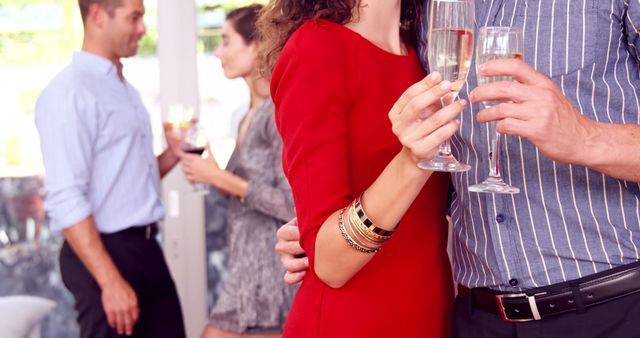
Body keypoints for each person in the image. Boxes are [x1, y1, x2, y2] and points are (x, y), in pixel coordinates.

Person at [275, 1, 640, 337]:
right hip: (468, 319)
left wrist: (585, 137)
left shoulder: (412, 39)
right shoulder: (428, 22)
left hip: (611, 309)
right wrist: (322, 231)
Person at [258, 0, 469, 336]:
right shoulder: (315, 49)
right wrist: (411, 162)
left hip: (431, 314)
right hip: (351, 320)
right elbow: (329, 262)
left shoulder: (428, 50)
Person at [34, 0, 186, 337]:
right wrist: (111, 281)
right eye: (134, 18)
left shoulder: (124, 89)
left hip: (146, 249)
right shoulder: (69, 93)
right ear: (98, 16)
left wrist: (172, 156)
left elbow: (125, 181)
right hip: (104, 254)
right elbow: (65, 198)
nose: (143, 29)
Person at [180, 5, 297, 338]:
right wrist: (212, 171)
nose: (218, 52)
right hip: (246, 271)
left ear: (257, 46)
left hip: (270, 276)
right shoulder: (246, 114)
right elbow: (244, 192)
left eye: (226, 41)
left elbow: (291, 206)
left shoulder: (277, 111)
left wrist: (217, 177)